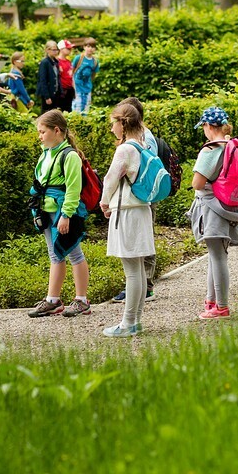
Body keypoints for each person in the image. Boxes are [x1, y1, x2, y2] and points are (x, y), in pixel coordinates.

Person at [27, 109, 92, 318]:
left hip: (62, 213)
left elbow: (73, 189)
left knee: (74, 253)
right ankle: (53, 300)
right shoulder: (46, 153)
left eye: (42, 132)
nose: (39, 136)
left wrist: (66, 215)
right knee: (55, 255)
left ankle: (82, 300)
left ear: (56, 130)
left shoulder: (69, 156)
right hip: (47, 211)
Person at [99, 103, 156, 337]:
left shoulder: (125, 150)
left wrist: (104, 202)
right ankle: (135, 320)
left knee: (131, 271)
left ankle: (127, 323)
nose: (111, 128)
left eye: (113, 123)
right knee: (138, 270)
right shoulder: (143, 146)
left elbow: (110, 180)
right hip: (141, 209)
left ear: (122, 123)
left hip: (127, 211)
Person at [188, 107, 238, 319]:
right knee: (216, 256)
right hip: (230, 205)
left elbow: (197, 183)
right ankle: (211, 302)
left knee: (218, 258)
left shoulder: (210, 150)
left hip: (212, 209)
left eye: (203, 126)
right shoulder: (232, 146)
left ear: (208, 126)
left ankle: (221, 307)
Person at [112, 96, 157, 304]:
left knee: (138, 256)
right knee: (136, 259)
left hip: (137, 199)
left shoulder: (138, 141)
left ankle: (144, 288)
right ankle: (138, 293)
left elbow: (115, 177)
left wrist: (105, 201)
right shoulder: (139, 139)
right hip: (139, 199)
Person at [71, 42, 100, 114]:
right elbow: (72, 72)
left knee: (86, 109)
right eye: (88, 46)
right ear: (84, 47)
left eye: (92, 47)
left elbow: (93, 74)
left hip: (87, 88)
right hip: (77, 88)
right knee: (76, 108)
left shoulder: (95, 61)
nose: (90, 49)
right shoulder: (78, 58)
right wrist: (73, 85)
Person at [35, 40, 62, 115]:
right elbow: (42, 80)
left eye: (56, 50)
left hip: (55, 93)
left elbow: (57, 78)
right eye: (53, 50)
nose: (56, 52)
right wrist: (47, 97)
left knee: (54, 114)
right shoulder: (45, 62)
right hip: (48, 93)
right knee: (46, 114)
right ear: (47, 50)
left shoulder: (55, 62)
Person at [56, 40, 76, 111]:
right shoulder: (56, 61)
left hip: (69, 90)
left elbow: (71, 77)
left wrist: (74, 90)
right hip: (61, 91)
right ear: (61, 49)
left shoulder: (68, 62)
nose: (70, 50)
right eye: (68, 48)